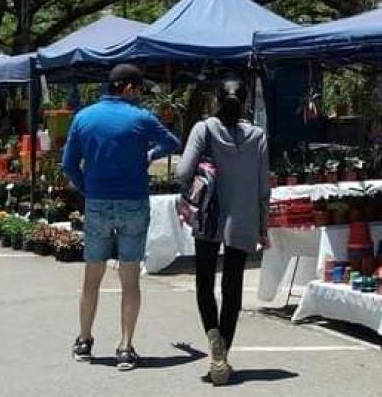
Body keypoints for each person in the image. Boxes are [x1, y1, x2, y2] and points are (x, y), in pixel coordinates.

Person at [62, 64, 180, 371]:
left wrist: (87, 188)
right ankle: (125, 348)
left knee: (92, 276)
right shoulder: (141, 118)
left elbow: (69, 164)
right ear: (127, 88)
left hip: (98, 201)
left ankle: (85, 340)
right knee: (129, 278)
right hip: (133, 200)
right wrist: (150, 155)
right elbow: (172, 142)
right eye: (139, 89)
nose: (140, 95)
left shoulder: (84, 117)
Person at [176, 76, 270, 386]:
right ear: (244, 102)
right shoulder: (258, 136)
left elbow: (182, 172)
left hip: (208, 217)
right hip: (243, 220)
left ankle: (213, 336)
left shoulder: (204, 129)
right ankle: (224, 353)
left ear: (216, 99)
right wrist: (263, 227)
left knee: (204, 283)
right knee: (233, 289)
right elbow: (262, 189)